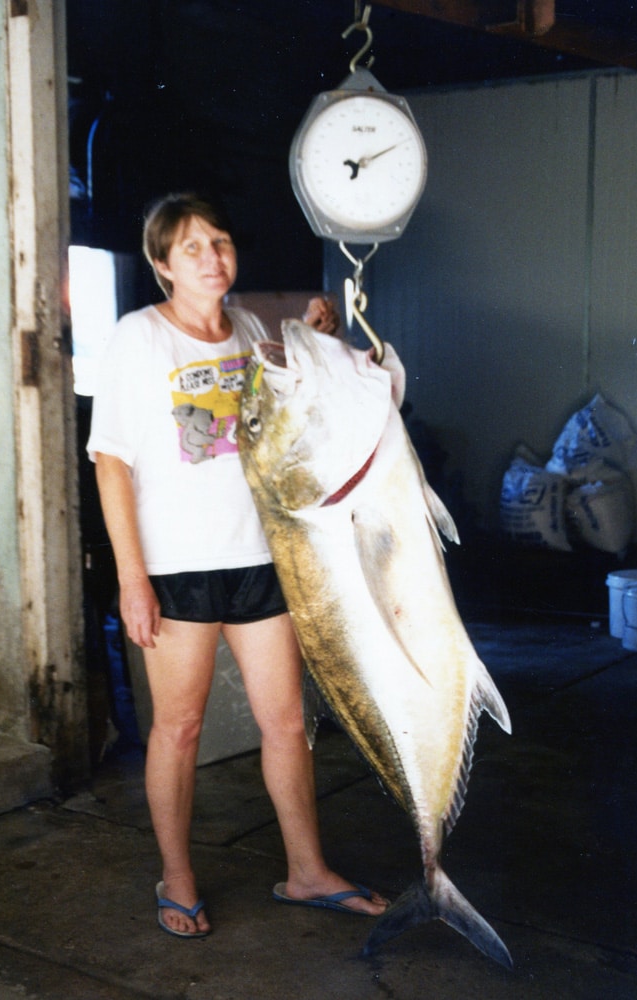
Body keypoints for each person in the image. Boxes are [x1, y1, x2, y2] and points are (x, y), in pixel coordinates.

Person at [87, 192, 388, 938]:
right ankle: (178, 877)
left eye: (219, 242)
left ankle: (306, 871)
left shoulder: (248, 328)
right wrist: (132, 579)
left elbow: (278, 389)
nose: (211, 257)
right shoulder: (138, 338)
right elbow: (110, 463)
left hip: (260, 554)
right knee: (180, 730)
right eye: (190, 247)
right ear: (162, 264)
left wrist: (314, 337)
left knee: (286, 722)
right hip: (178, 566)